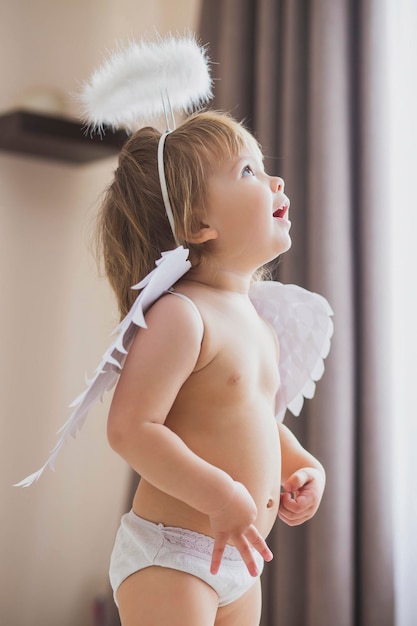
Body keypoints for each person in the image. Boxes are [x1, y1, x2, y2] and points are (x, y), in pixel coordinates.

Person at [96, 110, 327, 626]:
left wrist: (301, 464)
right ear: (199, 224)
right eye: (249, 171)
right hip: (173, 557)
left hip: (240, 561)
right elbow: (131, 429)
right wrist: (220, 496)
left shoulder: (257, 320)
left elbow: (257, 422)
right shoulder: (182, 314)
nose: (276, 180)